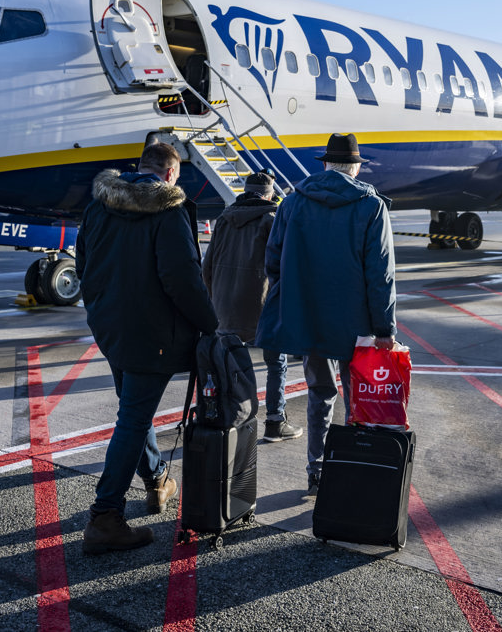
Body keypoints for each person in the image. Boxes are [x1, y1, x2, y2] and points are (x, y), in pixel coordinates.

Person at [75, 141, 218, 553]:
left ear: (140, 168)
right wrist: (211, 326)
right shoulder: (168, 211)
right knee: (133, 420)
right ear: (172, 175)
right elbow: (183, 281)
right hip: (152, 337)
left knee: (134, 411)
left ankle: (156, 481)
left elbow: (84, 265)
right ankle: (105, 517)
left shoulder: (99, 206)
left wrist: (101, 311)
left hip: (111, 331)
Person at [254, 133, 397, 496]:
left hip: (309, 318)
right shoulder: (370, 205)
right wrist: (384, 327)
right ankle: (351, 466)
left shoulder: (293, 202)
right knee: (357, 398)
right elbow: (379, 274)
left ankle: (316, 471)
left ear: (324, 164)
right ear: (356, 167)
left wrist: (296, 302)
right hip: (357, 324)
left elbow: (273, 262)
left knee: (320, 392)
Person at [202, 170, 303, 442]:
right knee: (276, 363)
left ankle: (230, 418)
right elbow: (283, 266)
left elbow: (207, 266)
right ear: (270, 194)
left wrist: (216, 300)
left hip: (225, 306)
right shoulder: (272, 219)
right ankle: (274, 422)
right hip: (262, 305)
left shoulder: (224, 218)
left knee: (227, 366)